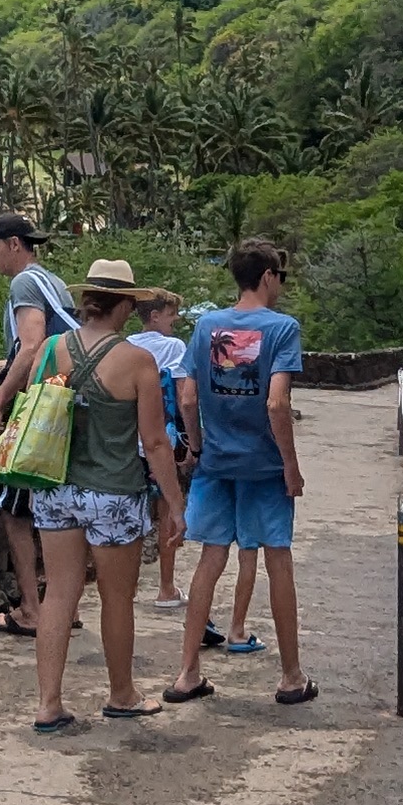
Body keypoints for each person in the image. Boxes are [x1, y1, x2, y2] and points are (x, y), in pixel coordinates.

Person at [31, 278, 190, 730]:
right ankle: (122, 693)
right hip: (114, 493)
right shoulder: (137, 361)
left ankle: (48, 703)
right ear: (122, 305)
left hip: (56, 487)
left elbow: (34, 405)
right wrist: (175, 505)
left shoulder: (51, 349)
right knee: (116, 597)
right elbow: (156, 442)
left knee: (59, 593)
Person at [167, 239, 312, 707]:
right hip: (264, 467)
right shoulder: (283, 329)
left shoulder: (207, 326)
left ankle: (188, 672)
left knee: (210, 561)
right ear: (268, 276)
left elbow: (187, 397)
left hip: (217, 464)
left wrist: (197, 445)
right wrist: (291, 466)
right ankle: (291, 677)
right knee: (278, 561)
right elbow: (276, 402)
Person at [0, 212, 83, 635]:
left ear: (14, 244)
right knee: (58, 510)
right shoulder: (55, 282)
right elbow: (47, 347)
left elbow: (31, 345)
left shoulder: (23, 283)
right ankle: (66, 606)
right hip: (68, 404)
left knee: (15, 513)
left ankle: (32, 609)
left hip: (39, 412)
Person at [134, 288, 198, 608]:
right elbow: (185, 396)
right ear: (155, 316)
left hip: (130, 442)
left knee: (131, 514)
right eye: (171, 314)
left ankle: (124, 586)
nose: (175, 320)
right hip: (165, 438)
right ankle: (166, 587)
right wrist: (192, 443)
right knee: (168, 513)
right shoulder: (174, 347)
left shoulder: (124, 346)